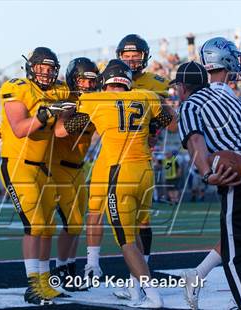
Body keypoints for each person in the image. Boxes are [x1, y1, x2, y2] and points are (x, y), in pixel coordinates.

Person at [55, 59, 173, 308]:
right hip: (146, 173)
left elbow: (63, 131)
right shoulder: (146, 96)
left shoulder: (95, 100)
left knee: (126, 240)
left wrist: (65, 111)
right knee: (137, 232)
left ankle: (152, 296)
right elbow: (169, 123)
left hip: (118, 174)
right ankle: (135, 291)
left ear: (105, 81)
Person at [178, 38, 241, 310]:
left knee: (239, 258)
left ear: (181, 87)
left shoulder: (191, 103)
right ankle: (230, 293)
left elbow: (196, 142)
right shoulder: (233, 98)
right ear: (223, 59)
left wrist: (207, 174)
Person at [0, 47, 71, 305]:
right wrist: (45, 114)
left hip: (43, 167)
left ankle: (44, 282)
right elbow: (18, 129)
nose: (47, 72)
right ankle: (32, 287)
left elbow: (61, 132)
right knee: (36, 225)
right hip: (18, 165)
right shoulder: (17, 87)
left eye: (51, 68)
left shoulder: (58, 91)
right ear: (31, 67)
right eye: (42, 67)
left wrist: (78, 117)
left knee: (47, 227)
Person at [49, 57, 99, 289]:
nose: (88, 85)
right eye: (83, 80)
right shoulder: (66, 99)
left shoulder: (96, 101)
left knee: (76, 225)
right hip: (58, 167)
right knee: (73, 222)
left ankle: (68, 268)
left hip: (78, 168)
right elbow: (59, 131)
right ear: (72, 79)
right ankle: (61, 270)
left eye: (92, 81)